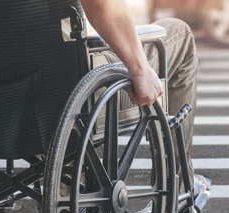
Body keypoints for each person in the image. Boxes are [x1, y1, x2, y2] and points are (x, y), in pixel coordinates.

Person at [77, 0, 210, 194]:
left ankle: (66, 187)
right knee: (180, 33)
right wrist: (139, 69)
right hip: (82, 82)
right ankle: (178, 190)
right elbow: (104, 6)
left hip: (26, 96)